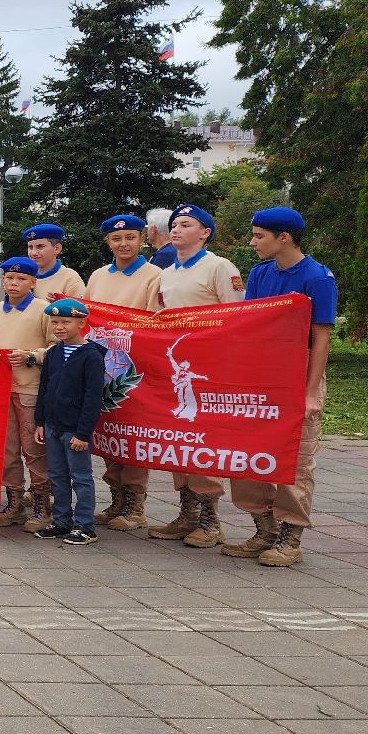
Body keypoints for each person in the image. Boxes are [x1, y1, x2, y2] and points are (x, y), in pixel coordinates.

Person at [226, 206, 333, 566]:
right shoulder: (260, 273)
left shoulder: (317, 277)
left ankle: (291, 537)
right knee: (246, 451)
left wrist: (309, 392)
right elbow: (250, 325)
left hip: (298, 372)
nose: (253, 242)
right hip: (263, 373)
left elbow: (321, 338)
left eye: (259, 236)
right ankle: (264, 528)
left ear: (283, 238)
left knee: (294, 459)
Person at [148, 202, 244, 548]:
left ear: (204, 232)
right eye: (174, 224)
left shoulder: (219, 267)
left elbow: (235, 317)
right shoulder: (167, 271)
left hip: (207, 366)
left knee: (203, 443)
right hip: (177, 368)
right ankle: (187, 513)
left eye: (186, 224)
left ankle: (210, 520)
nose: (176, 230)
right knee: (179, 443)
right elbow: (161, 315)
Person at [84, 214, 164, 530]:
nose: (123, 244)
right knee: (107, 433)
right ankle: (116, 498)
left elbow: (156, 322)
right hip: (103, 367)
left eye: (130, 237)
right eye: (116, 239)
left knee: (133, 435)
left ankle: (135, 503)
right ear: (108, 243)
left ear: (142, 238)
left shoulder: (154, 275)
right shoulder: (98, 276)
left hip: (135, 367)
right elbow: (87, 316)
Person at [0, 257, 55, 530]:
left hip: (30, 390)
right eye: (9, 279)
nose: (13, 284)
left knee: (34, 449)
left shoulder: (44, 310)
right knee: (7, 450)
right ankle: (13, 502)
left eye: (21, 279)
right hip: (0, 389)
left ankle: (41, 506)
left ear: (33, 282)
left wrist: (32, 356)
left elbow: (56, 347)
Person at [34, 297, 107, 546]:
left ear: (82, 323)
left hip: (75, 429)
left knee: (81, 476)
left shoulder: (91, 356)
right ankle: (62, 520)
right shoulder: (54, 352)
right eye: (55, 322)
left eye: (66, 322)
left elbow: (92, 398)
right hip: (53, 425)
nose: (59, 327)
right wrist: (40, 422)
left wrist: (83, 433)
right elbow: (44, 389)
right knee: (57, 474)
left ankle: (85, 525)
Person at [23, 224, 87, 301]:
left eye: (40, 247)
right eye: (30, 247)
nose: (33, 253)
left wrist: (62, 306)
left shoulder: (69, 278)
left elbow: (82, 310)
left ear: (57, 248)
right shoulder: (22, 275)